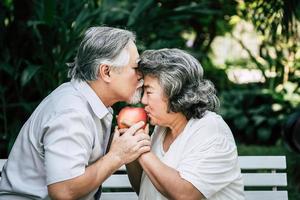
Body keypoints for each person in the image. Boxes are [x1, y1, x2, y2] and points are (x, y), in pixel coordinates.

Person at [0, 26, 151, 200]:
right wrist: (116, 156)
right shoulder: (72, 112)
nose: (141, 75)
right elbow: (63, 192)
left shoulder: (87, 101)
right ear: (106, 72)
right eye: (135, 68)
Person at [125, 48, 245, 200]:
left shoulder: (211, 130)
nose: (143, 101)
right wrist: (131, 153)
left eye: (148, 92)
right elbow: (146, 187)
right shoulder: (162, 128)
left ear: (175, 91)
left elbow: (185, 194)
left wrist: (140, 148)